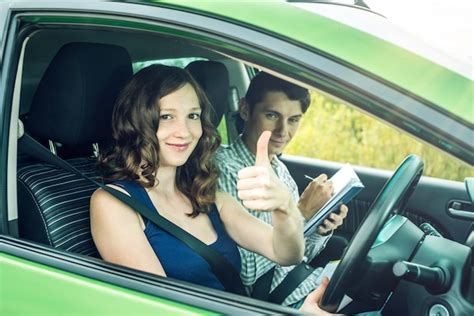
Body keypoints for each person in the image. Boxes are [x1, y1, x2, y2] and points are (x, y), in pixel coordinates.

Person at [90, 64, 334, 315]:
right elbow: (160, 310)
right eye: (166, 116)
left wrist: (285, 209)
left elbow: (286, 253)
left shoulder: (207, 194)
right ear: (137, 121)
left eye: (193, 116)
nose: (185, 132)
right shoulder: (114, 203)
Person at [215, 72, 349, 307]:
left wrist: (320, 227)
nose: (283, 131)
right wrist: (300, 212)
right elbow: (245, 272)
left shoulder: (280, 169)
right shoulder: (224, 170)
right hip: (281, 303)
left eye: (293, 120)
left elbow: (300, 254)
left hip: (307, 285)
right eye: (272, 115)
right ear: (245, 110)